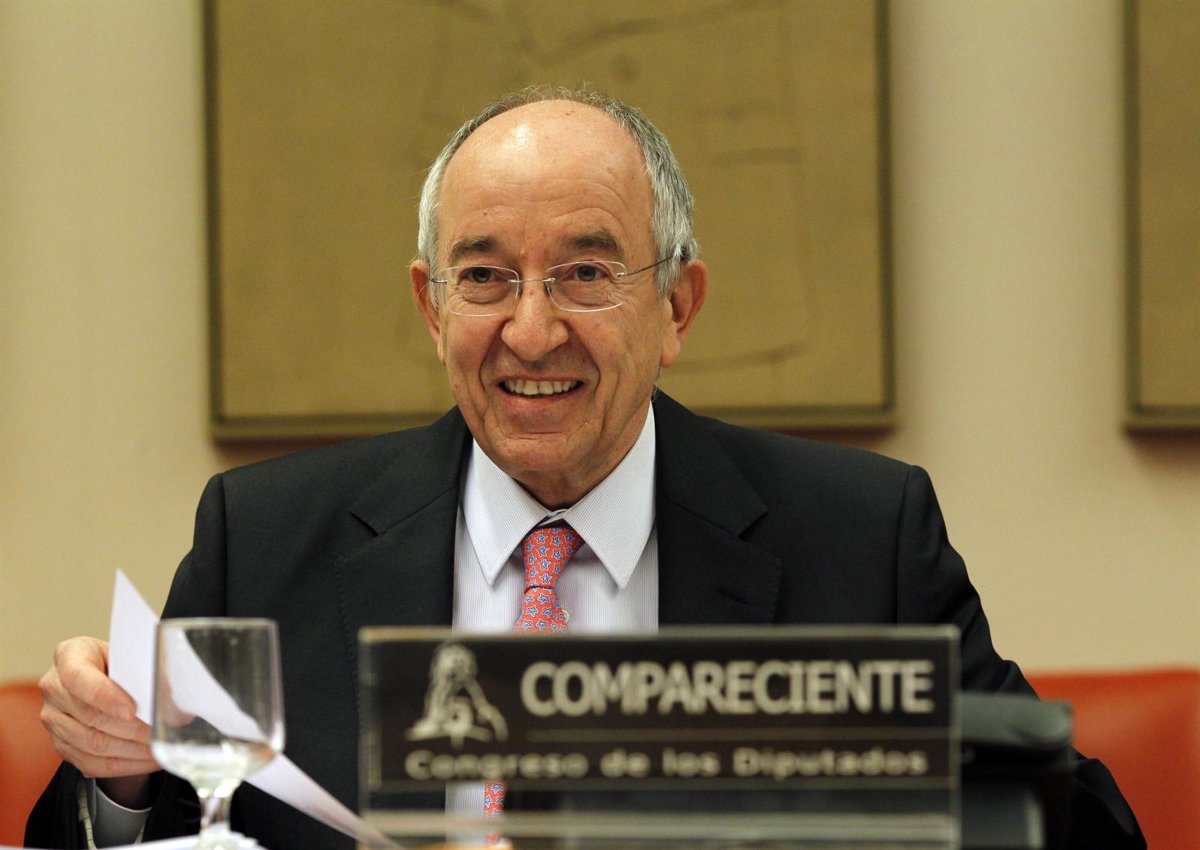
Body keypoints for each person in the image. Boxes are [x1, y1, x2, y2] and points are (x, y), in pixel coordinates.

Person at [27, 86, 1143, 849]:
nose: (531, 331)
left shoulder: (857, 537)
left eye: (586, 274)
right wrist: (119, 773)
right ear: (431, 306)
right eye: (484, 277)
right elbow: (154, 828)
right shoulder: (265, 538)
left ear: (678, 308)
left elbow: (1085, 829)